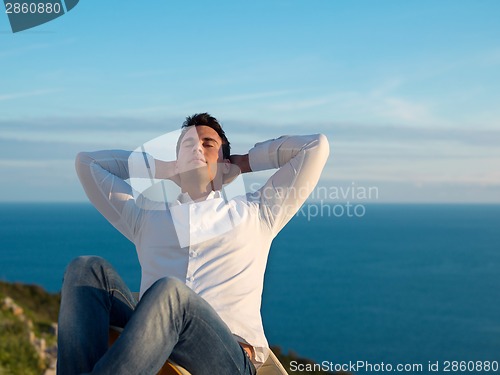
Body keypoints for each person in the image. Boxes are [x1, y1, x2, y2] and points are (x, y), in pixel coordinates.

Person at [57, 113, 329, 375]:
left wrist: (243, 162)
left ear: (224, 161)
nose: (196, 148)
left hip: (225, 359)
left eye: (207, 144)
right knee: (85, 269)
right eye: (187, 144)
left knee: (172, 293)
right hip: (150, 341)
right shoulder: (145, 216)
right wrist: (164, 168)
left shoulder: (257, 212)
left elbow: (315, 147)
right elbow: (87, 163)